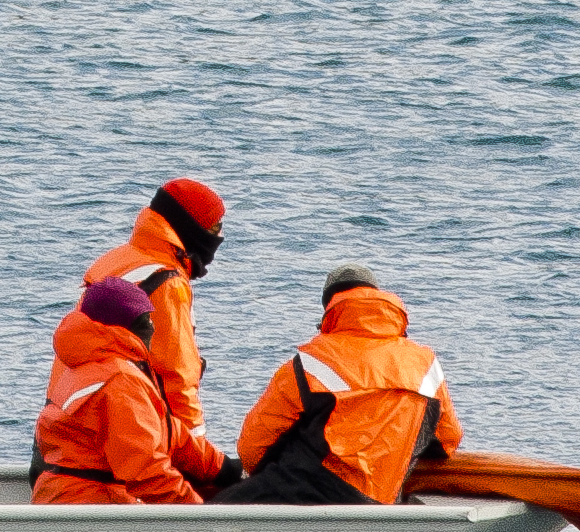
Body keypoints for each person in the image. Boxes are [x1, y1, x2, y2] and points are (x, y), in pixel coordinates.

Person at [221, 267, 466, 506]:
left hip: (308, 486)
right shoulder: (424, 363)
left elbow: (252, 448)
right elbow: (447, 439)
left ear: (330, 308)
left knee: (217, 506)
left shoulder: (310, 362)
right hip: (381, 499)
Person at [77, 175, 232, 491]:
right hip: (124, 450)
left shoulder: (113, 261)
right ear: (190, 229)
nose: (219, 238)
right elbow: (175, 378)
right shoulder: (168, 282)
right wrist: (201, 464)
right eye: (215, 229)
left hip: (73, 432)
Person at [31, 278, 204, 505]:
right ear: (121, 328)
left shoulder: (84, 367)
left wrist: (219, 467)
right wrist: (200, 513)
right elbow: (146, 472)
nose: (152, 327)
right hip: (89, 507)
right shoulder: (119, 380)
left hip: (64, 496)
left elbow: (165, 429)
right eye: (143, 320)